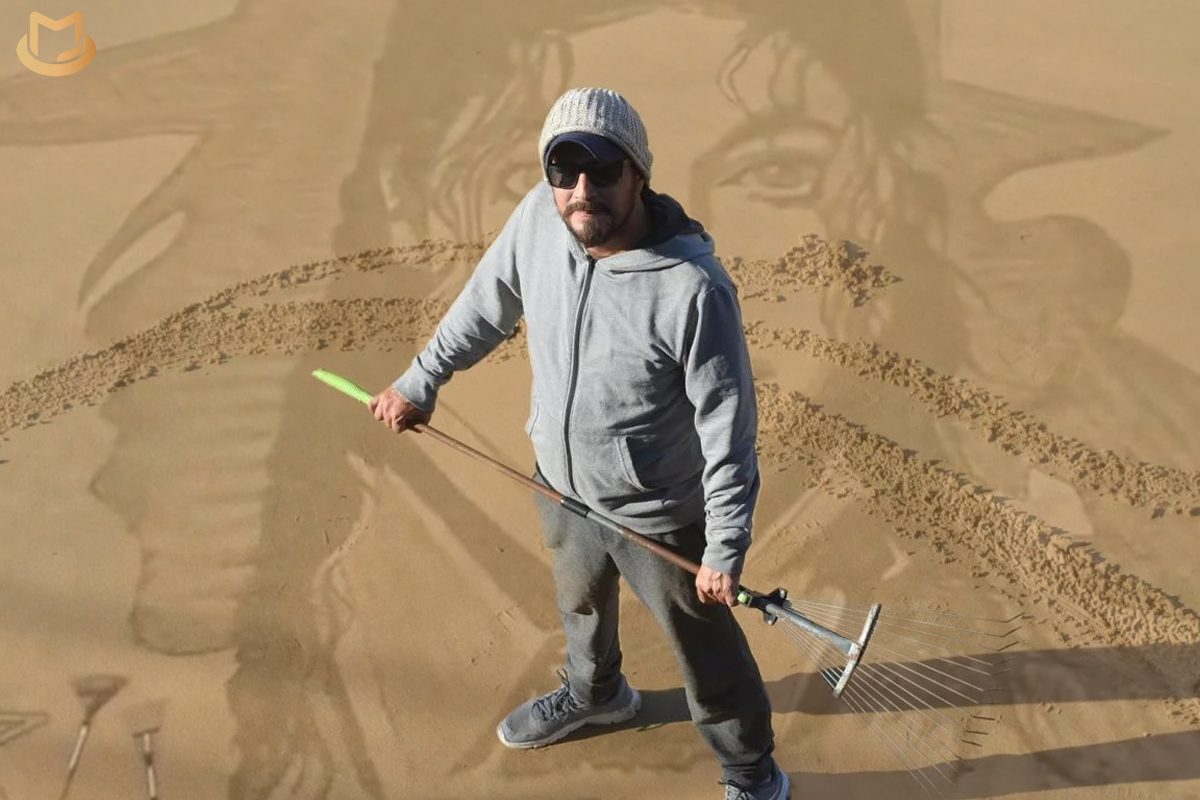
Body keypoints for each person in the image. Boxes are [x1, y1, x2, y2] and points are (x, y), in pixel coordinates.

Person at [369, 87, 789, 800]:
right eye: (564, 171)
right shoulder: (540, 217)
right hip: (562, 486)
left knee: (708, 657)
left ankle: (753, 775)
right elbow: (486, 303)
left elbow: (729, 430)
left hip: (660, 514)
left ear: (638, 174)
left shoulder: (694, 290)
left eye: (603, 170)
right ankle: (598, 695)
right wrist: (421, 380)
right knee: (582, 607)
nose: (581, 191)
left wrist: (724, 546)